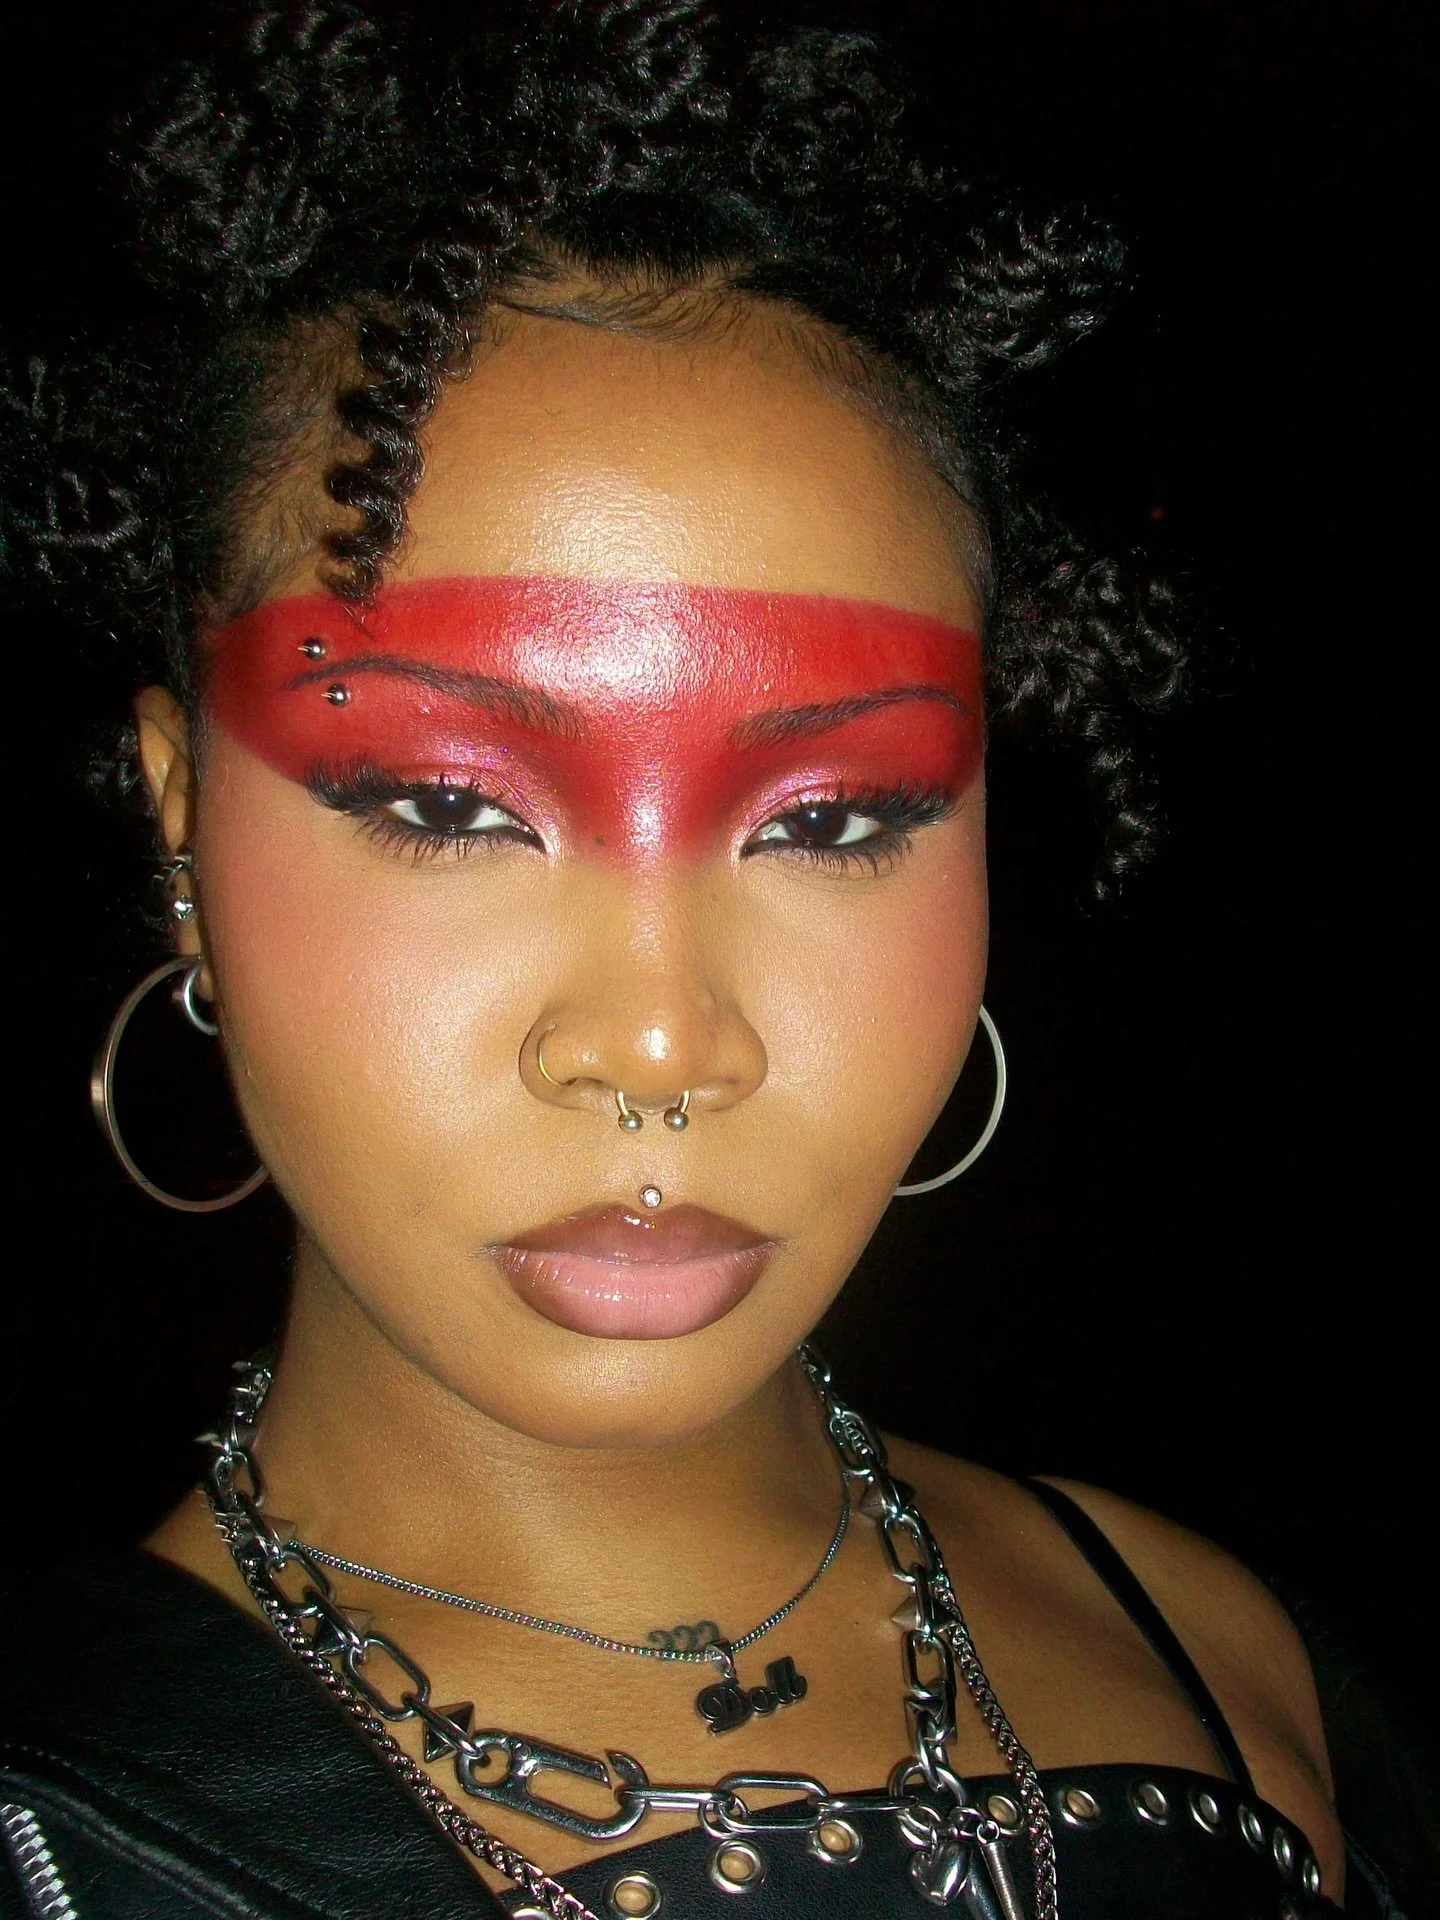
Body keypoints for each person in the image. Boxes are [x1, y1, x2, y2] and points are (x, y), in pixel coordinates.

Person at [0, 3, 1383, 1915]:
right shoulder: (64, 1828)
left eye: (836, 820)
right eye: (448, 803)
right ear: (179, 817)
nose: (661, 1039)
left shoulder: (1238, 1667)